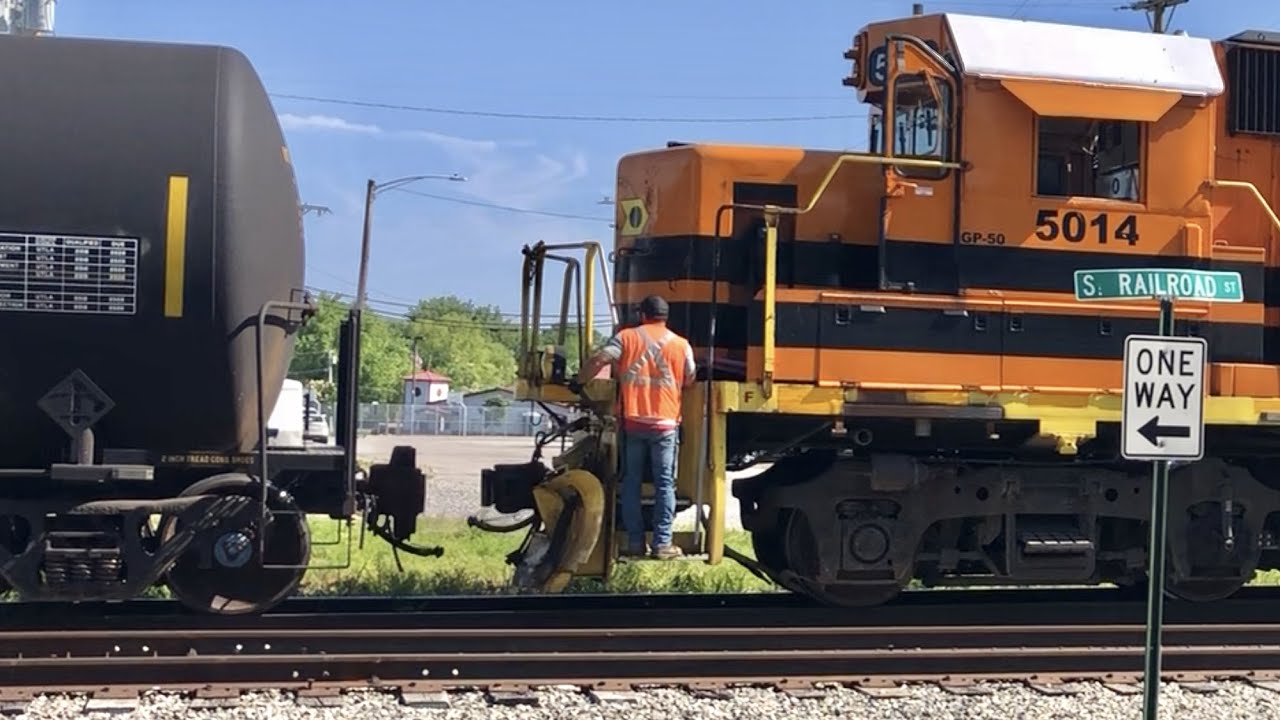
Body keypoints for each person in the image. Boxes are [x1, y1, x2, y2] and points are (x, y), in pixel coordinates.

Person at [577, 294, 695, 560]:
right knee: (665, 484)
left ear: (642, 315)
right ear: (665, 317)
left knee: (630, 481)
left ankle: (634, 542)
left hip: (633, 422)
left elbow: (600, 360)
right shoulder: (681, 344)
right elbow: (690, 377)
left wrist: (580, 381)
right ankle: (663, 544)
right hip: (665, 425)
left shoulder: (627, 337)